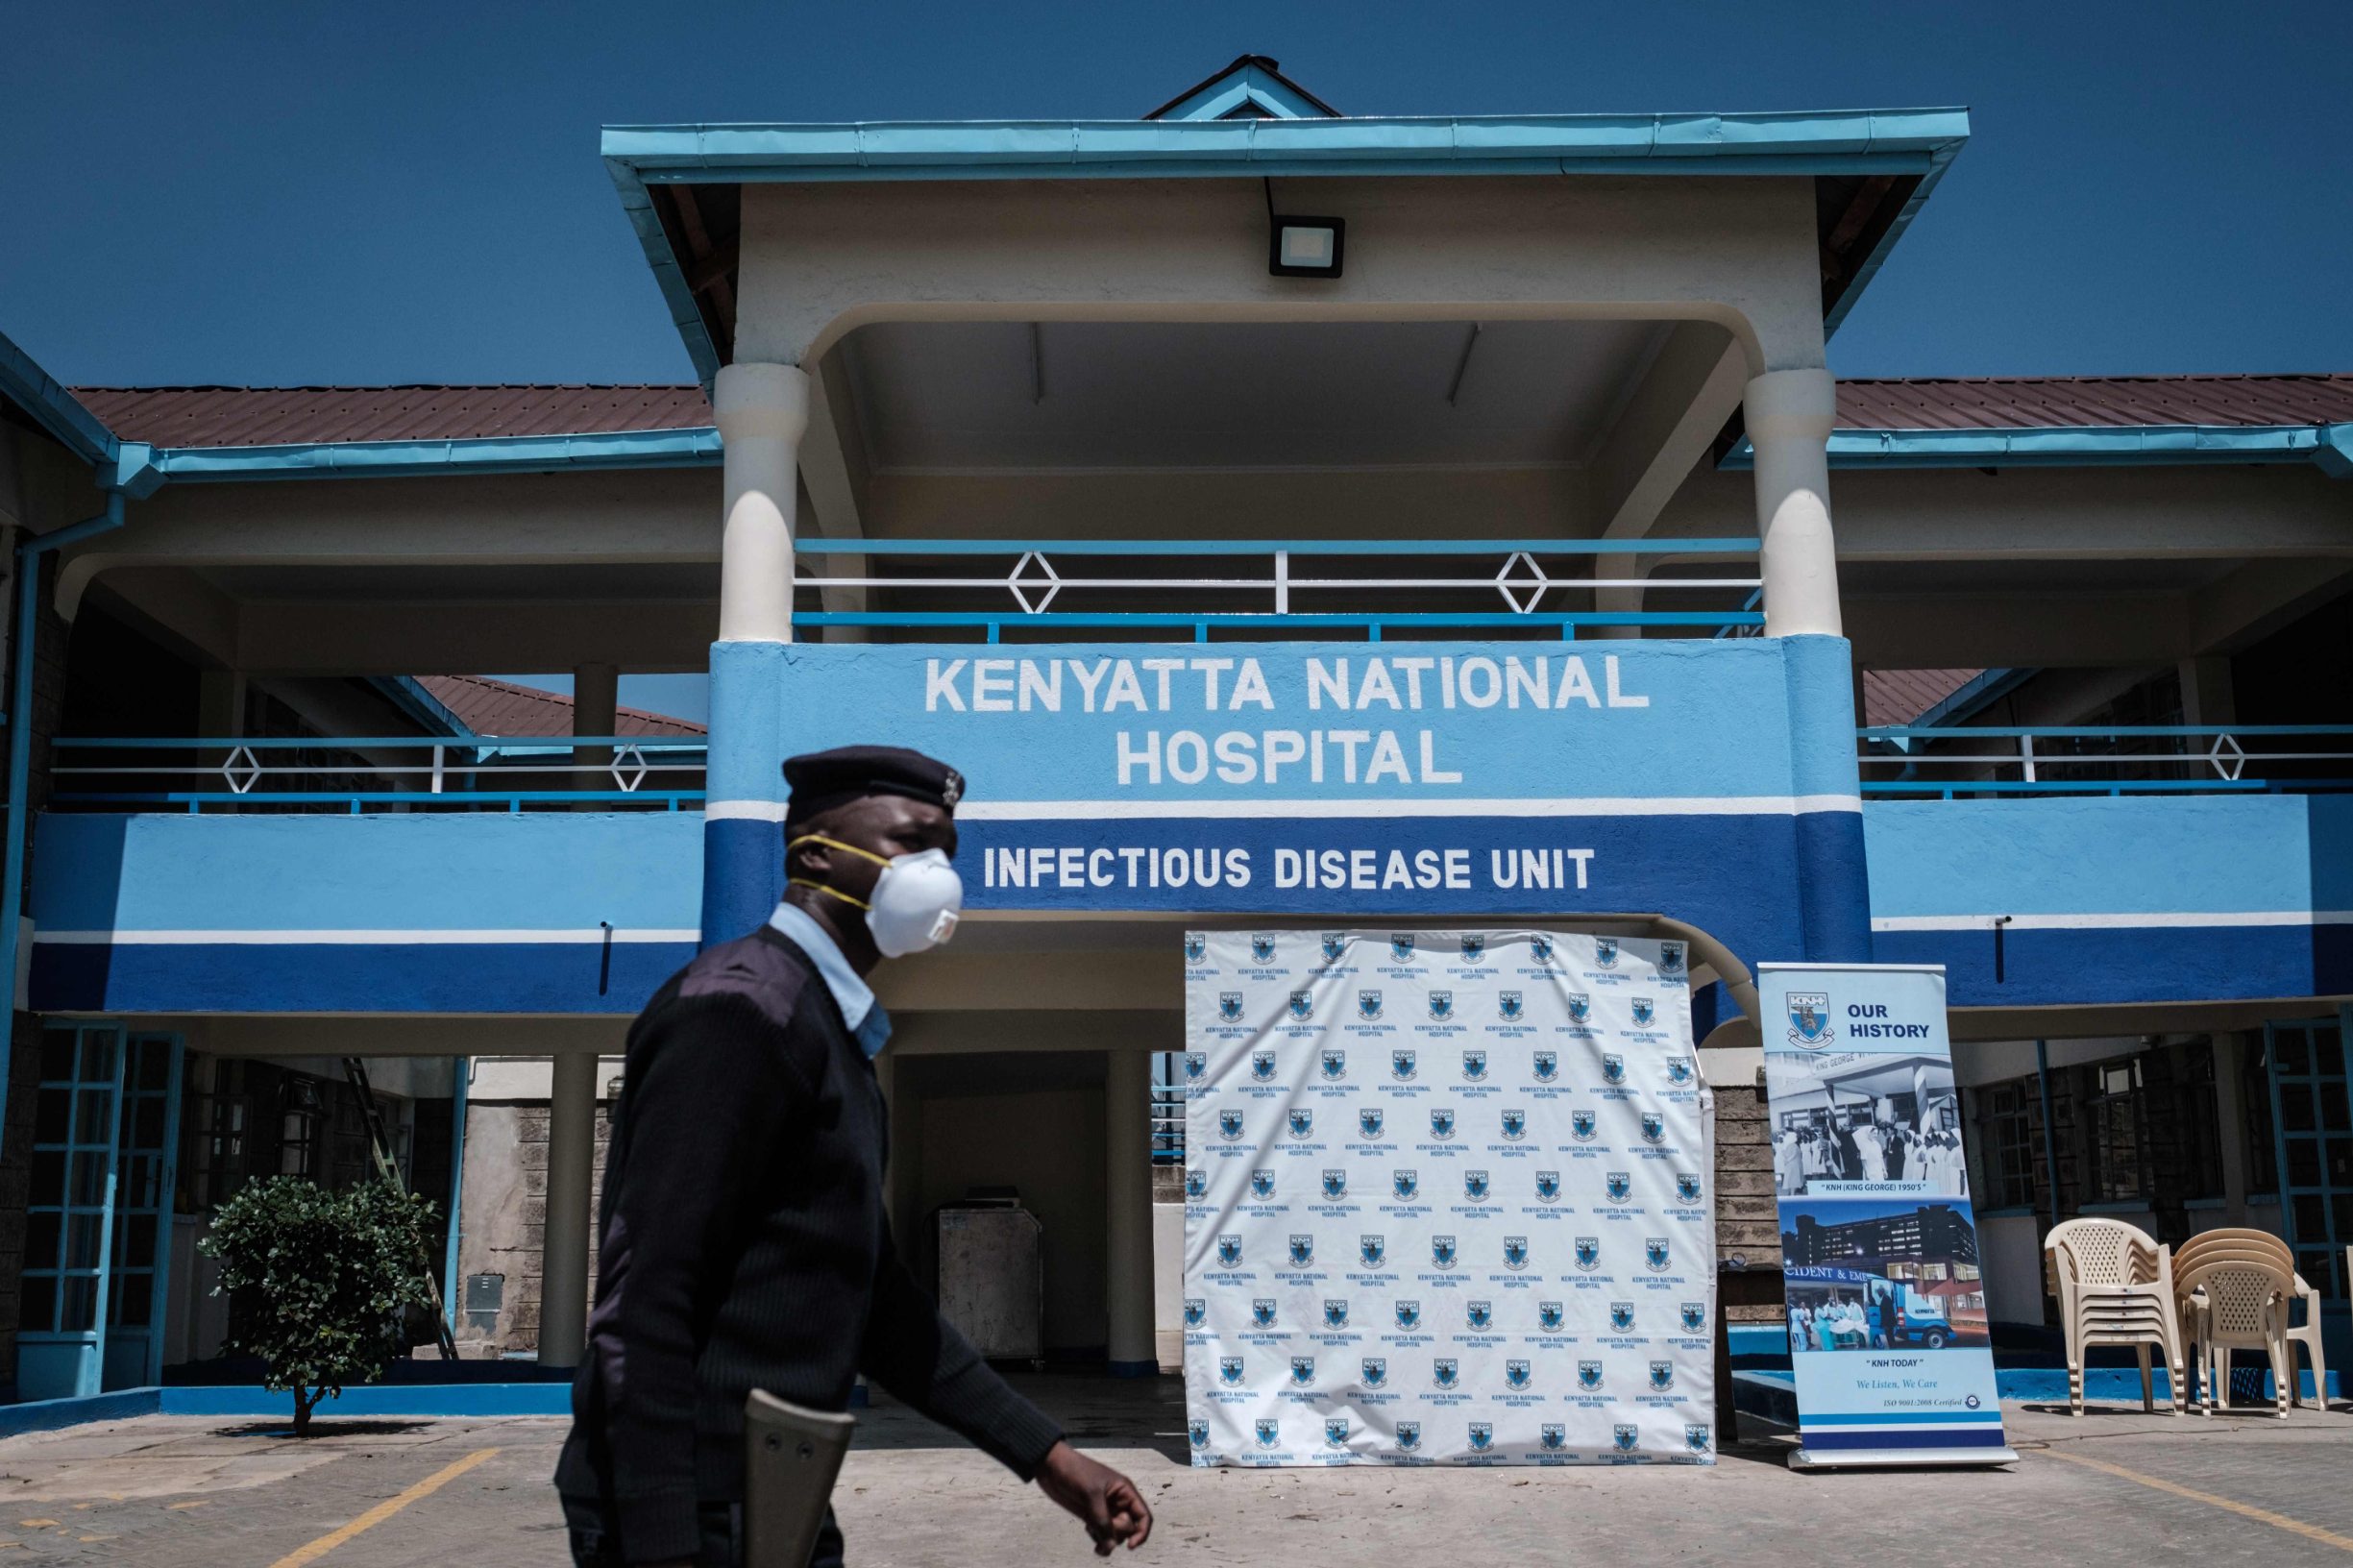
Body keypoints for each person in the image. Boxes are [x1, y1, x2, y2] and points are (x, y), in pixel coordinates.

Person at [554, 746, 1152, 1567]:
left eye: (949, 850)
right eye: (914, 842)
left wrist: (1051, 1459)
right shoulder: (740, 1011)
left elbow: (874, 1302)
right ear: (815, 855)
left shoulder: (828, 1029)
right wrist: (662, 1542)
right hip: (685, 1510)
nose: (938, 872)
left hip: (771, 1498)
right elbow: (646, 1299)